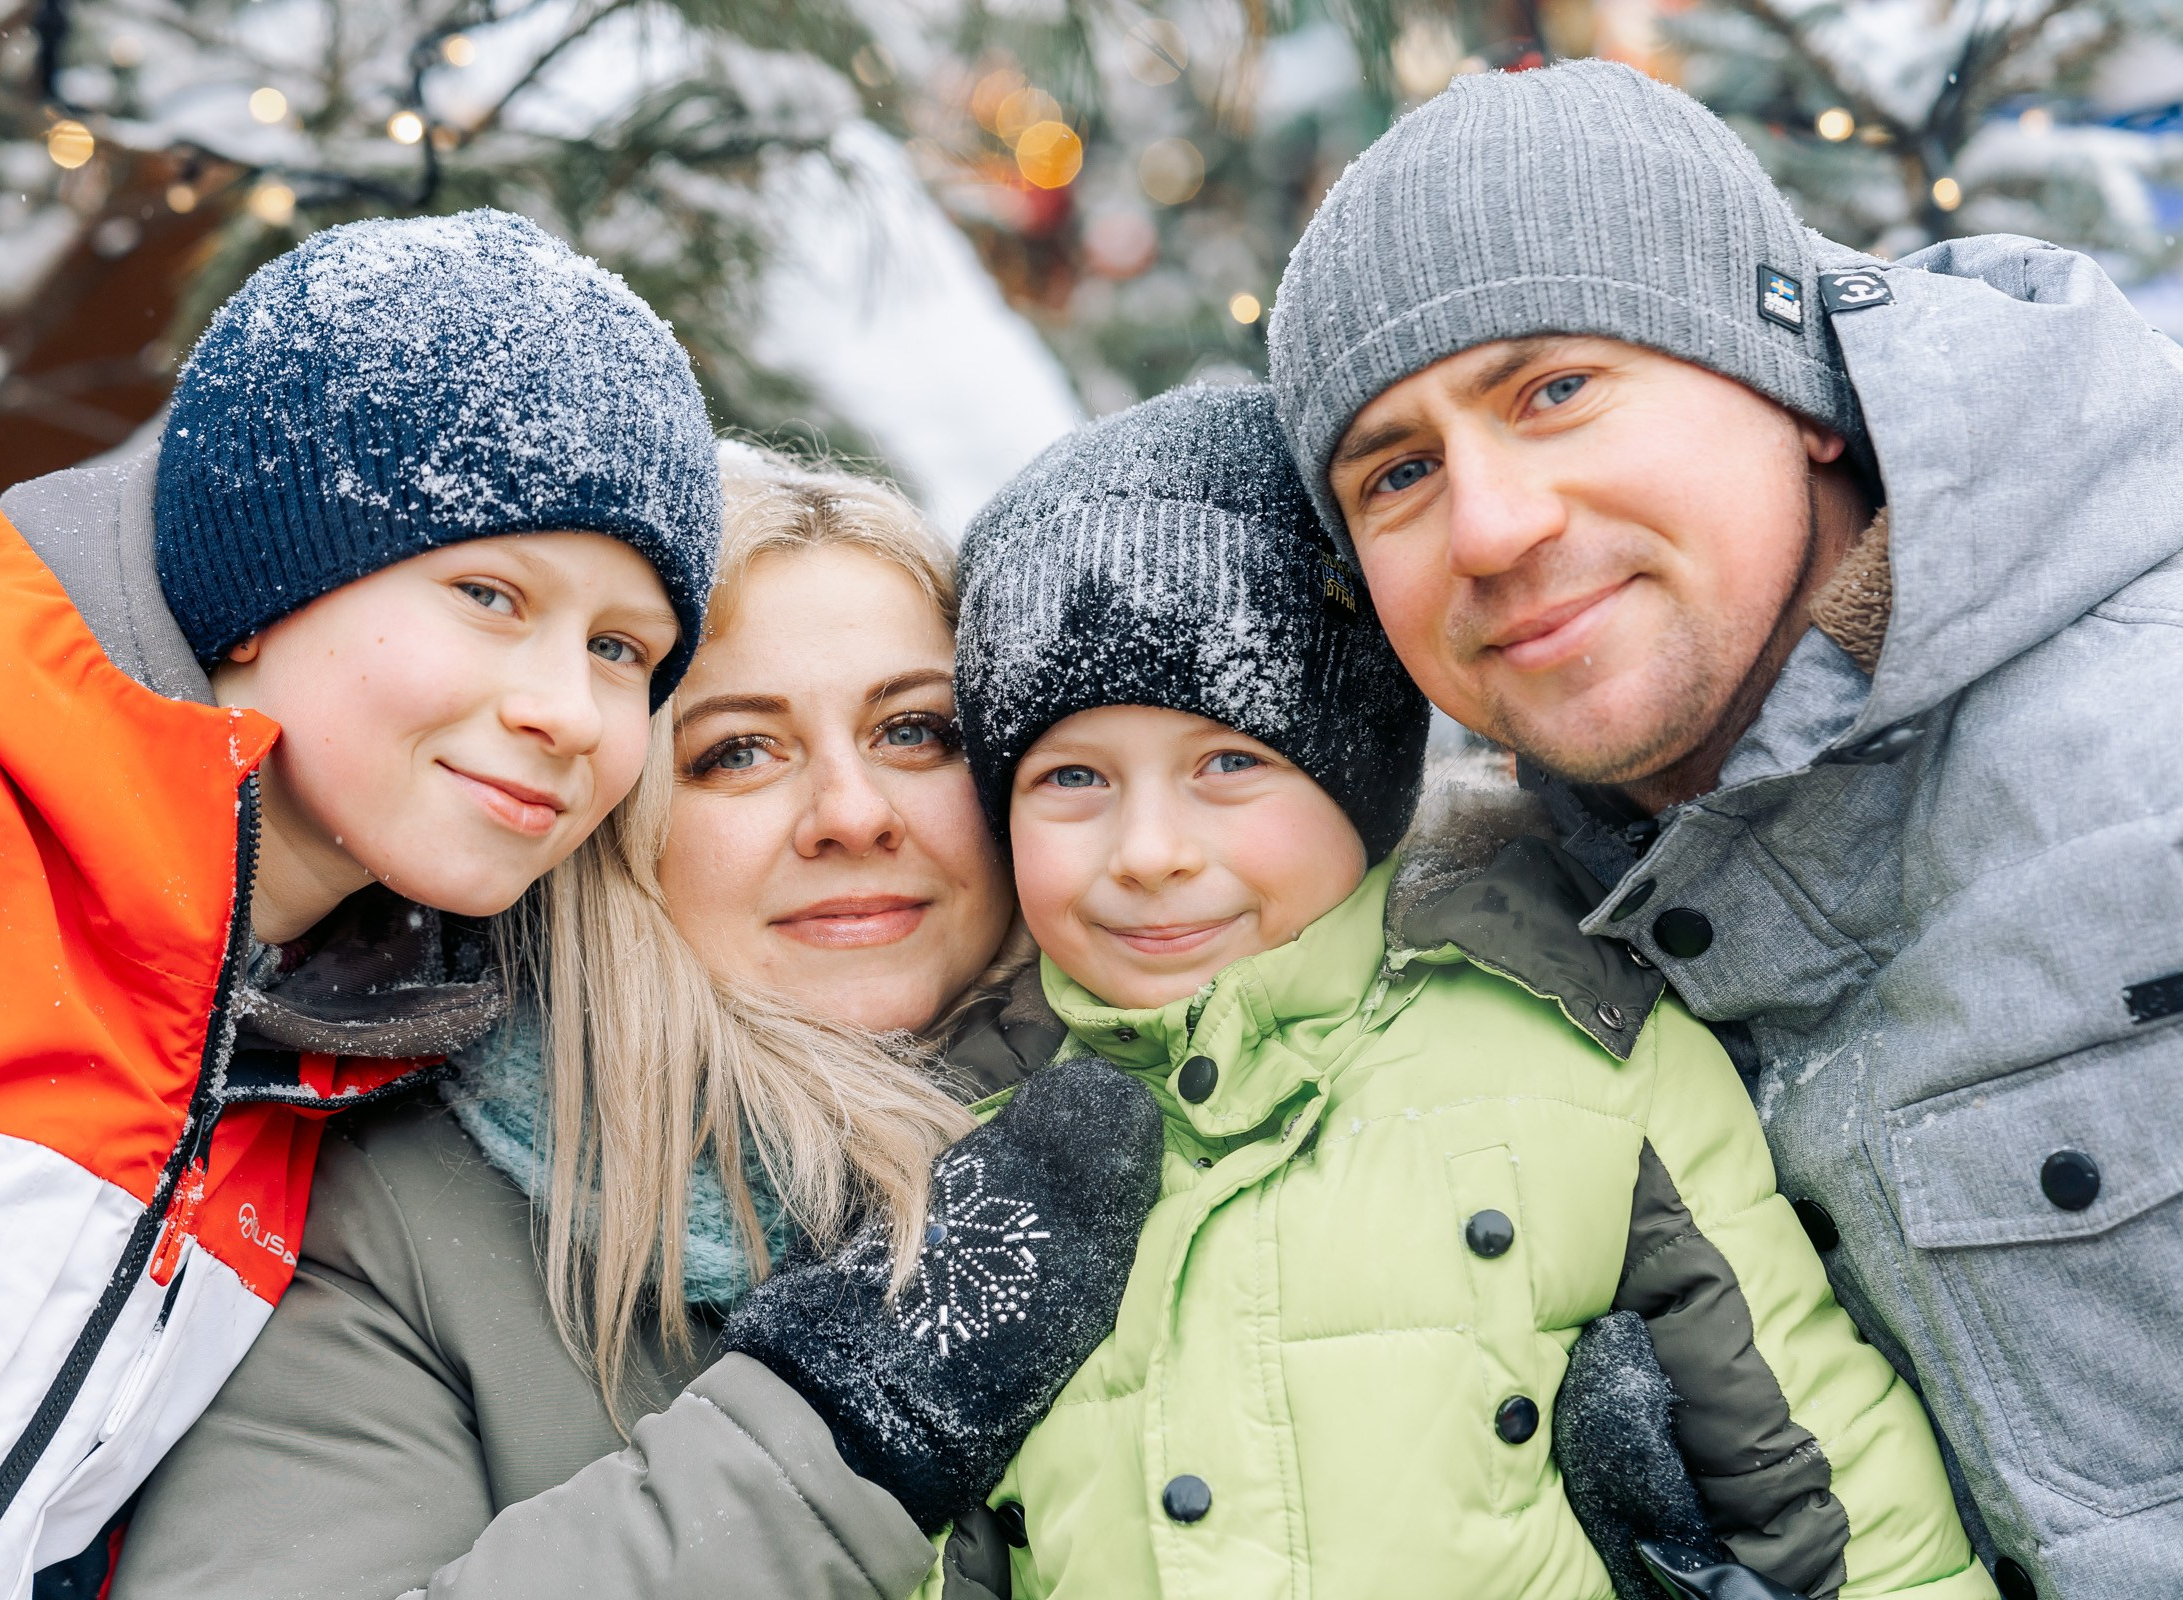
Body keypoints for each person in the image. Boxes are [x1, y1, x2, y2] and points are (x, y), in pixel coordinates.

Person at [1267, 58, 2183, 1599]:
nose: (1492, 525)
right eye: (1400, 473)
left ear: (1801, 393)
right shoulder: (1484, 962)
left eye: (1555, 390)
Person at [906, 382, 1989, 1599]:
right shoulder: (950, 1134)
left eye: (1228, 762)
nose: (1149, 850)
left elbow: (1838, 1496)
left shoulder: (1582, 1049)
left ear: (1359, 784)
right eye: (1072, 779)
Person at [0, 209, 724, 1600]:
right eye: (488, 593)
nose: (567, 711)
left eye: (622, 650)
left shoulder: (320, 1055)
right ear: (264, 578)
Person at [108, 446, 1146, 1600]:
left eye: (915, 731)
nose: (853, 815)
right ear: (607, 819)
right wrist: (840, 1435)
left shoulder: (1209, 1113)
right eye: (736, 751)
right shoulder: (392, 1228)